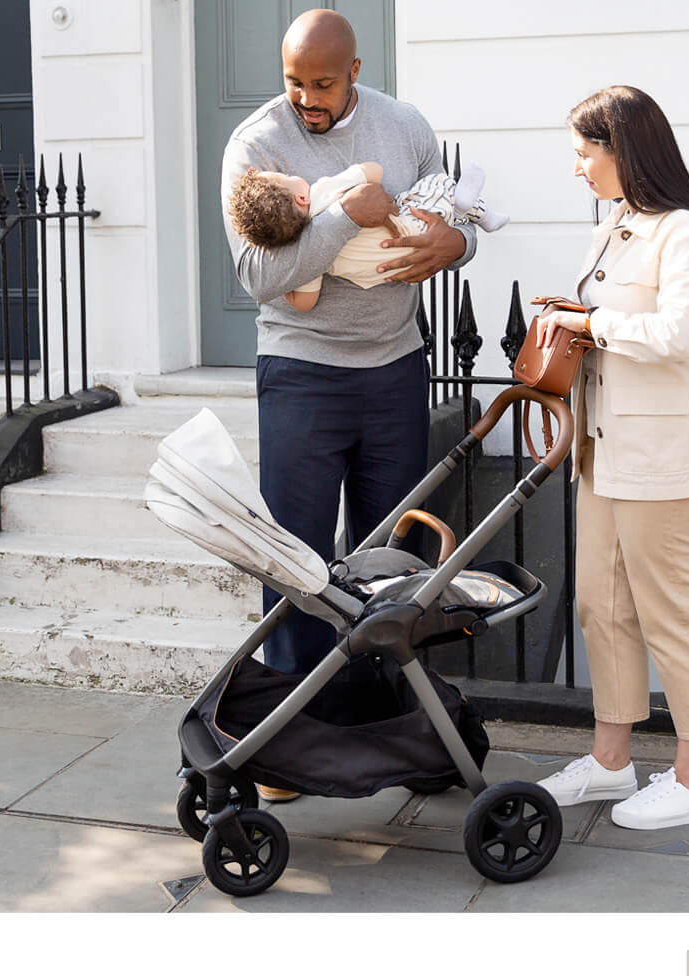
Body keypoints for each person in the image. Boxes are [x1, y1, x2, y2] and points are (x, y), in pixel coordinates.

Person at [221, 10, 477, 802]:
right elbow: (258, 278)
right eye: (294, 81)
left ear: (355, 70)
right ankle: (294, 739)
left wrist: (457, 246)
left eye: (322, 84)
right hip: (301, 374)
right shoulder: (256, 144)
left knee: (396, 559)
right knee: (296, 559)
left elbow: (450, 216)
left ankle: (400, 725)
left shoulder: (404, 126)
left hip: (394, 370)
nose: (306, 99)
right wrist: (340, 216)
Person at [533, 86, 689, 831]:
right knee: (601, 605)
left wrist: (593, 322)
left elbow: (679, 333)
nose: (578, 168)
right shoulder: (619, 226)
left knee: (673, 615)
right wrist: (570, 323)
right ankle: (612, 763)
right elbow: (610, 326)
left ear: (624, 150)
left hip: (661, 458)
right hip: (604, 450)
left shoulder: (688, 235)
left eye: (586, 153)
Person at [227, 161, 507, 311]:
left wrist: (288, 288)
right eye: (286, 175)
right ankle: (467, 206)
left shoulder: (307, 255)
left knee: (441, 213)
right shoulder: (322, 192)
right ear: (301, 196)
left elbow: (305, 303)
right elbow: (374, 170)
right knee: (433, 189)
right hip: (414, 229)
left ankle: (468, 210)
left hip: (394, 269)